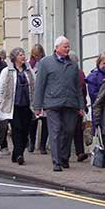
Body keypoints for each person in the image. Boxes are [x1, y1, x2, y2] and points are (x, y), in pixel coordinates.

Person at [34, 36, 85, 171]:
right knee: (55, 131)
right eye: (65, 47)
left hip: (70, 103)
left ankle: (64, 157)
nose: (68, 49)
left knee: (68, 131)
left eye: (68, 46)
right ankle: (56, 162)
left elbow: (78, 87)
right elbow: (40, 85)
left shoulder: (73, 65)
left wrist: (81, 105)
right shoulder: (46, 63)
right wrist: (37, 106)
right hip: (52, 103)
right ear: (57, 48)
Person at [0, 47, 35, 165]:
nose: (23, 56)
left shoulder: (29, 71)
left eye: (23, 54)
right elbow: (1, 87)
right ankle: (19, 155)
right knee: (17, 129)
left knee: (25, 131)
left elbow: (35, 86)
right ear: (14, 58)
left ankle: (17, 153)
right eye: (20, 55)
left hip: (27, 106)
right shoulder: (7, 71)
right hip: (14, 106)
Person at [27, 44, 48, 154]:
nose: (37, 57)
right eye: (35, 55)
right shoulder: (29, 65)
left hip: (45, 96)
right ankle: (31, 143)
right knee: (33, 122)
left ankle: (42, 145)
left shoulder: (46, 63)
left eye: (38, 55)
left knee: (46, 122)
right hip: (33, 96)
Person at [69, 52, 90, 162]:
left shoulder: (79, 73)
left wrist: (83, 105)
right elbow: (83, 91)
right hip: (70, 105)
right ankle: (75, 152)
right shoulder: (78, 73)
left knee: (76, 129)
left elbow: (83, 91)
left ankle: (79, 152)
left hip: (75, 106)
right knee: (74, 130)